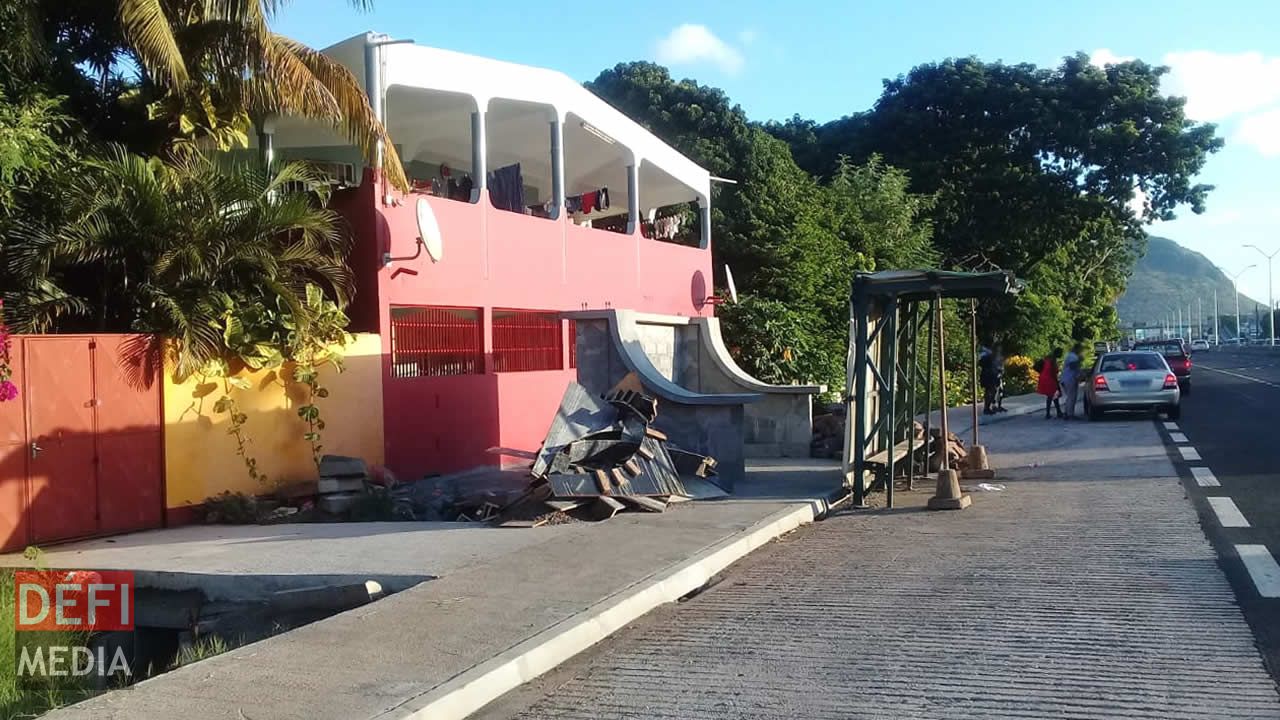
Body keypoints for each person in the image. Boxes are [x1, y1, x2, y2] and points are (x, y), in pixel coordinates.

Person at [1037, 348, 1064, 419]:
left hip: (1043, 377)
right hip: (1049, 379)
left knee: (1053, 395)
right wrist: (1057, 384)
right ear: (1058, 353)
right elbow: (1053, 373)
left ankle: (1057, 412)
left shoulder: (1048, 358)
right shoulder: (1053, 361)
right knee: (1052, 395)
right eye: (1061, 353)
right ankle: (1049, 413)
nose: (1062, 355)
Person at [1060, 342, 1084, 420]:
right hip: (1069, 379)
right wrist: (1079, 361)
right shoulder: (1072, 356)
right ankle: (1070, 414)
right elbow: (1072, 366)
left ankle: (1067, 413)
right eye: (1080, 349)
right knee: (1071, 397)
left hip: (1068, 379)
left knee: (1070, 397)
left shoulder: (1071, 356)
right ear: (1077, 349)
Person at [980, 343, 1001, 415]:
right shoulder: (986, 354)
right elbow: (982, 363)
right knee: (989, 391)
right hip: (988, 375)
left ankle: (992, 406)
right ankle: (987, 408)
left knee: (993, 390)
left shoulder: (990, 354)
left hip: (991, 374)